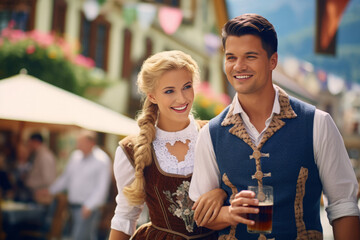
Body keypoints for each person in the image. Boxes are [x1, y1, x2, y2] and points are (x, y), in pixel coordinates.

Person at [189, 13, 360, 240]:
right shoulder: (211, 134)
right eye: (231, 57)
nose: (238, 66)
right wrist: (230, 212)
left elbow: (343, 205)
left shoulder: (318, 123)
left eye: (250, 56)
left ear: (273, 61)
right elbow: (201, 217)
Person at [109, 50, 226, 240]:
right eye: (169, 91)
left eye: (187, 87)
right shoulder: (131, 150)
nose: (182, 98)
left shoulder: (215, 134)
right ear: (152, 96)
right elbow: (125, 215)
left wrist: (222, 193)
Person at [40, 129, 112, 240]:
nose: (78, 146)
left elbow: (102, 187)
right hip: (72, 206)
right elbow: (66, 178)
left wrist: (89, 205)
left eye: (81, 143)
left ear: (91, 143)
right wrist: (50, 190)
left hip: (88, 208)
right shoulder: (75, 156)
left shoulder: (102, 160)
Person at [25, 132, 57, 201]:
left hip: (40, 194)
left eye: (29, 142)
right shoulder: (39, 154)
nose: (28, 145)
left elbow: (48, 178)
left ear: (35, 142)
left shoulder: (44, 156)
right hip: (37, 193)